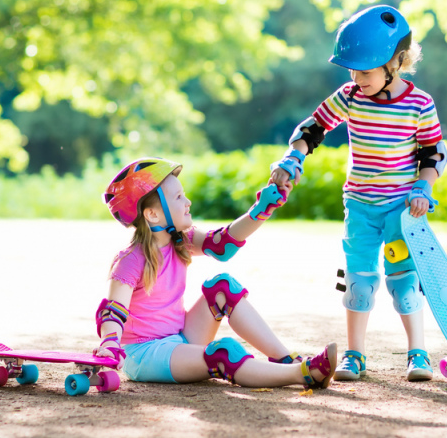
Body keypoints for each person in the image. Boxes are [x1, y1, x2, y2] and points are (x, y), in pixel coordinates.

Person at [270, 5, 447, 382]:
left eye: (364, 71)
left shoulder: (420, 104)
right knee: (359, 280)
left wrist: (423, 186)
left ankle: (418, 354)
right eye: (351, 70)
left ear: (396, 63)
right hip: (361, 206)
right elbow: (314, 126)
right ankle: (355, 355)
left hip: (402, 210)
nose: (356, 77)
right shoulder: (351, 96)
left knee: (403, 280)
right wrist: (292, 159)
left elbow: (433, 153)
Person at [93, 157, 337, 389]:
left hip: (180, 338)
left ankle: (286, 360)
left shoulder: (179, 240)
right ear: (153, 215)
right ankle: (303, 374)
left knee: (223, 287)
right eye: (178, 197)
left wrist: (262, 208)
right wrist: (110, 344)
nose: (187, 202)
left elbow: (223, 244)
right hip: (146, 353)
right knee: (224, 353)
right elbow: (113, 311)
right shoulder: (130, 260)